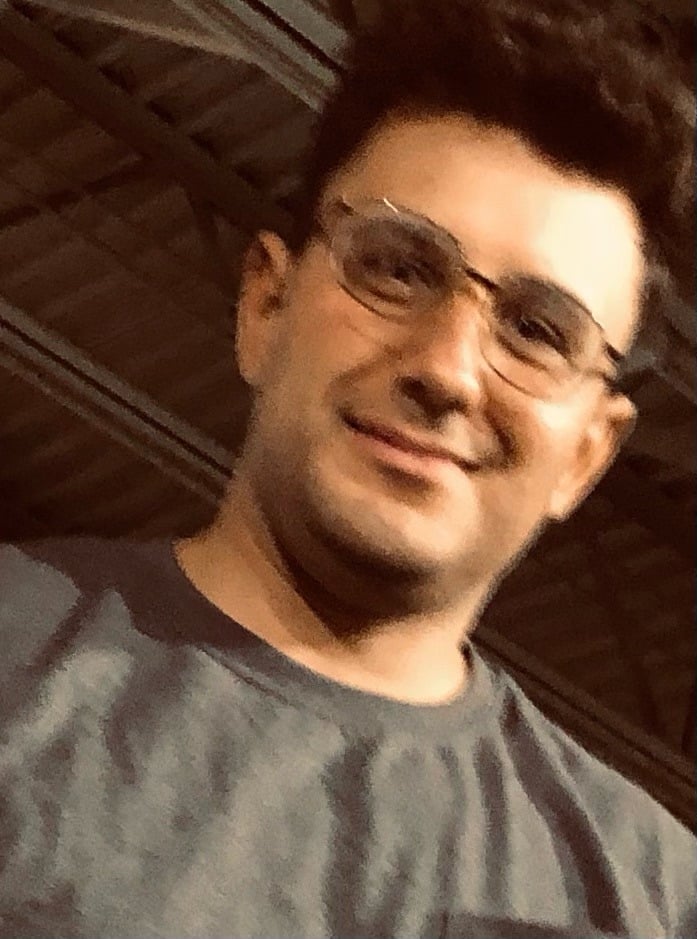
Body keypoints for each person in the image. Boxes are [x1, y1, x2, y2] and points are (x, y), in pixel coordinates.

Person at [1, 0, 694, 936]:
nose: (447, 369)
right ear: (265, 304)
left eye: (538, 330)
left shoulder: (657, 901)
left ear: (586, 453)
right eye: (399, 267)